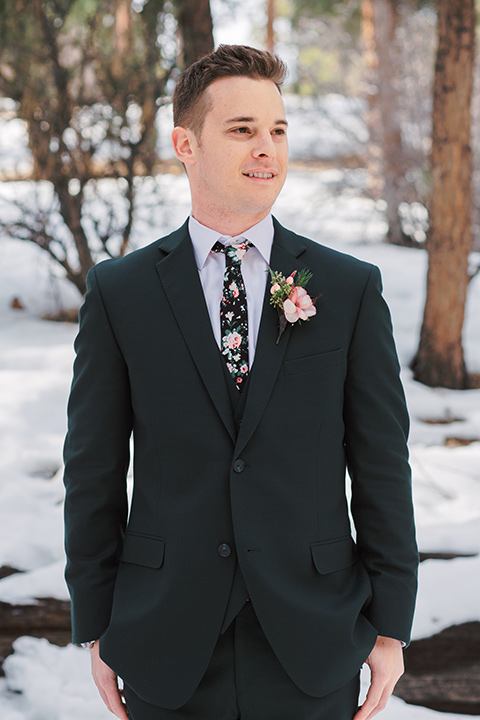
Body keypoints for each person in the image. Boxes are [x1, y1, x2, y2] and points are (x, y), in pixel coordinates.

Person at [63, 44, 418, 720]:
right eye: (242, 129)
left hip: (313, 640)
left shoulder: (348, 289)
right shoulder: (121, 292)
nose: (267, 148)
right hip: (165, 640)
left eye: (278, 130)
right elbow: (92, 470)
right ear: (184, 143)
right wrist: (97, 623)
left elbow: (381, 467)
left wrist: (391, 625)